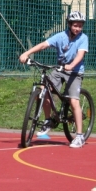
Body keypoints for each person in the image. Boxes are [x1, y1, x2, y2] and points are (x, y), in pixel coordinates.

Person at [18, 11, 89, 148]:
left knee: (74, 101)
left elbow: (80, 55)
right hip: (59, 69)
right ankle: (48, 120)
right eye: (75, 25)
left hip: (74, 71)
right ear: (69, 24)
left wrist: (72, 65)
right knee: (43, 90)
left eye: (80, 26)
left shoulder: (83, 38)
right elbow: (44, 45)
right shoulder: (60, 36)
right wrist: (27, 53)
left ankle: (80, 136)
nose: (78, 28)